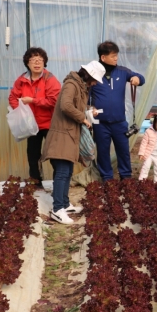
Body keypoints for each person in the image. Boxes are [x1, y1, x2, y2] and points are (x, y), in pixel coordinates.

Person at [41, 61, 104, 224]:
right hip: (62, 135)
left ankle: (64, 204)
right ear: (88, 75)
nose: (95, 83)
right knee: (62, 172)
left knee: (67, 171)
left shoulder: (80, 86)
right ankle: (57, 210)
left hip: (69, 135)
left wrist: (89, 110)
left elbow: (76, 105)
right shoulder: (72, 84)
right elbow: (66, 105)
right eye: (95, 79)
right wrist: (82, 117)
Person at [89, 41, 145, 181]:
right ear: (103, 57)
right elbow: (85, 94)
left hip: (119, 122)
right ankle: (106, 178)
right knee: (102, 151)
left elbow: (141, 78)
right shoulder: (92, 73)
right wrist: (89, 108)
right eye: (113, 56)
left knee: (123, 150)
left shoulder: (122, 71)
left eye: (116, 55)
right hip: (100, 123)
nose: (116, 58)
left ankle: (126, 177)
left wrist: (137, 78)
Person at [8, 47, 61, 183]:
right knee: (33, 156)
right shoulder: (21, 80)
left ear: (44, 63)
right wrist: (21, 113)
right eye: (33, 60)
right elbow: (13, 98)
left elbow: (54, 100)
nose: (37, 63)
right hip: (31, 125)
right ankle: (36, 183)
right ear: (28, 63)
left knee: (54, 155)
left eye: (40, 60)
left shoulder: (50, 79)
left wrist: (33, 101)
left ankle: (58, 183)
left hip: (49, 123)